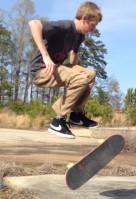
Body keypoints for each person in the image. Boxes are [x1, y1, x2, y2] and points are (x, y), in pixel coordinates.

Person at [29, 1, 102, 139]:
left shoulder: (79, 36)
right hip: (41, 70)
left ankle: (76, 115)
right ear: (84, 19)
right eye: (93, 25)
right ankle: (58, 120)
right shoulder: (65, 26)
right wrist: (45, 56)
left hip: (57, 68)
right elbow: (34, 24)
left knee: (89, 75)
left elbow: (73, 55)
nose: (93, 29)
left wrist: (74, 78)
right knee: (80, 79)